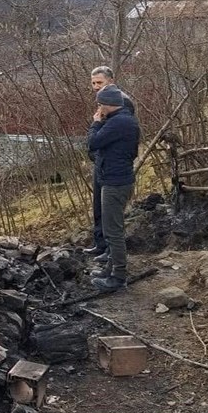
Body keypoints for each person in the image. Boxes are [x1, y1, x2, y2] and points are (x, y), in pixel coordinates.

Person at [86, 85, 140, 291]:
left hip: (115, 183)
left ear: (108, 105)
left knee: (113, 231)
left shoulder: (118, 123)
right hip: (119, 178)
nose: (99, 108)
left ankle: (118, 276)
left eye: (100, 104)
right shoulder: (126, 120)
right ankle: (111, 268)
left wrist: (95, 123)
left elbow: (93, 143)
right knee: (113, 228)